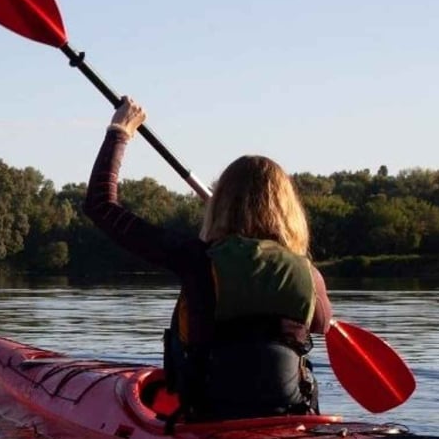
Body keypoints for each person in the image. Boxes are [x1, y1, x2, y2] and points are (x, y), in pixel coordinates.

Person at [84, 100, 332, 421]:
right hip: (292, 415)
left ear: (220, 205)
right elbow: (322, 324)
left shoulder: (196, 259)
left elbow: (101, 205)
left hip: (210, 417)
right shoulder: (309, 275)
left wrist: (120, 131)